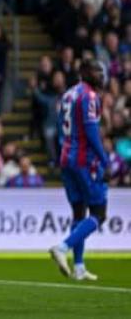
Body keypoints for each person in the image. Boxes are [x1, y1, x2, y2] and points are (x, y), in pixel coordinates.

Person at [49, 59, 108, 281]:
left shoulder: (68, 94)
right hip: (84, 161)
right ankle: (63, 247)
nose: (101, 76)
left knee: (78, 212)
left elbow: (60, 127)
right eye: (97, 71)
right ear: (84, 73)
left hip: (67, 158)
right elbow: (92, 132)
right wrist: (105, 161)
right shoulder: (89, 96)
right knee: (99, 214)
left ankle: (79, 267)